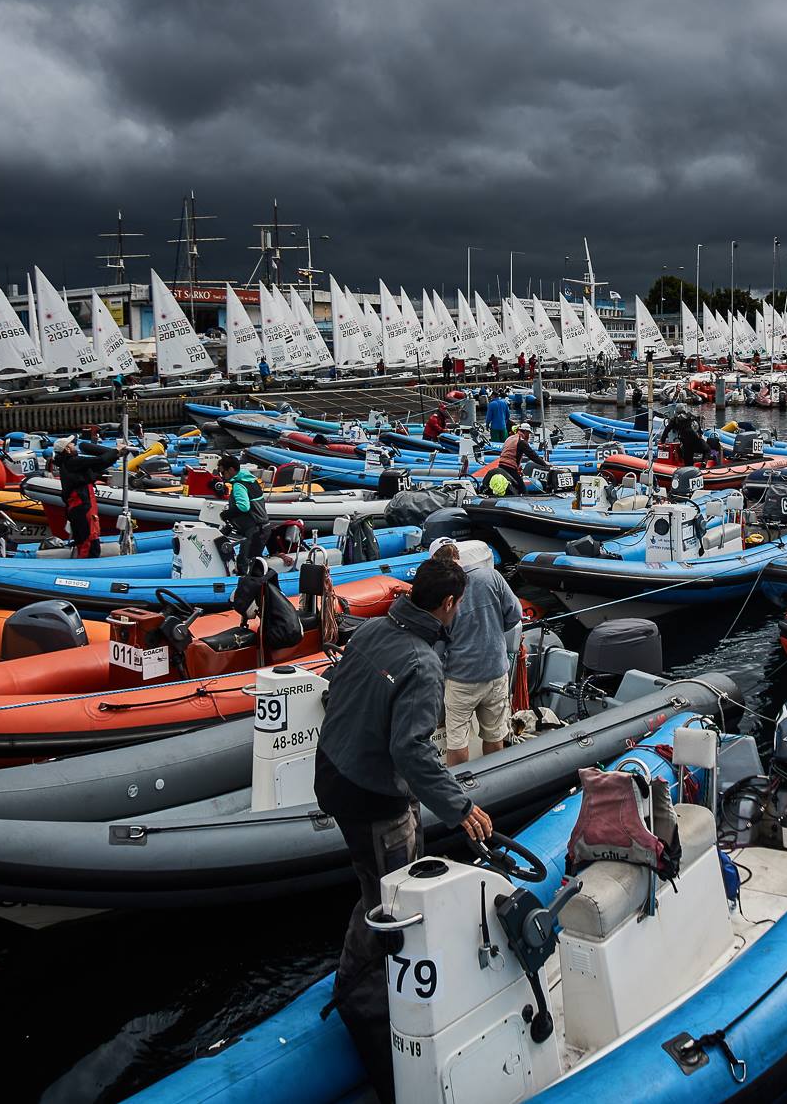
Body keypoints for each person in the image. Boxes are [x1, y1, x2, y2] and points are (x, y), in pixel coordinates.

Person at [315, 555, 492, 1100]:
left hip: (335, 774)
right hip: (373, 795)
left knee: (373, 876)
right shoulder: (423, 663)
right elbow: (410, 748)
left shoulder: (370, 630)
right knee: (388, 895)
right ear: (447, 604)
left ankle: (361, 977)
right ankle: (364, 997)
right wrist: (460, 807)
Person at [433, 541, 521, 766]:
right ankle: (494, 786)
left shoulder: (441, 592)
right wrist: (493, 630)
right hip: (495, 672)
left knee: (457, 740)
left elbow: (439, 643)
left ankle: (459, 792)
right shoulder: (491, 577)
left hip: (460, 678)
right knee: (494, 735)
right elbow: (515, 613)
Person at [51, 437, 118, 558]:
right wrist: (116, 451)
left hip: (78, 506)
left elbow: (99, 464)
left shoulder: (68, 463)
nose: (74, 446)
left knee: (83, 539)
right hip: (82, 506)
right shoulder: (72, 462)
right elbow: (99, 460)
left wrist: (115, 455)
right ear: (67, 448)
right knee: (90, 539)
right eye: (71, 444)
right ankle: (89, 565)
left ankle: (84, 560)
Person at [214, 452, 271, 561]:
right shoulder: (250, 479)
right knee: (250, 558)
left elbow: (244, 507)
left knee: (245, 561)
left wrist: (225, 514)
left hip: (256, 530)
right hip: (262, 528)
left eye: (223, 472)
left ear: (231, 470)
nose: (222, 476)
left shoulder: (239, 485)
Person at [487, 422, 551, 495]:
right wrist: (544, 464)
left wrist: (517, 467)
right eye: (528, 433)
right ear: (525, 432)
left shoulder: (510, 438)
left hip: (502, 465)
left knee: (512, 485)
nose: (529, 436)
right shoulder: (521, 441)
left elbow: (511, 453)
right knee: (522, 488)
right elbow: (532, 456)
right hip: (509, 467)